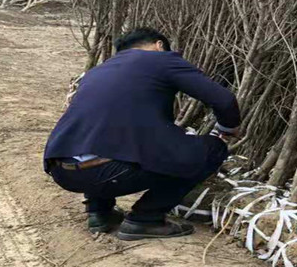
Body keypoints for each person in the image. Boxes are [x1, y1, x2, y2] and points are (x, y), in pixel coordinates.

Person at [44, 27, 241, 240]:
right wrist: (227, 129)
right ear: (159, 45)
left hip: (62, 172)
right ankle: (145, 219)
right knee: (212, 149)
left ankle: (99, 213)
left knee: (101, 138)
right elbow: (224, 100)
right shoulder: (160, 60)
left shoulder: (98, 71)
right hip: (110, 173)